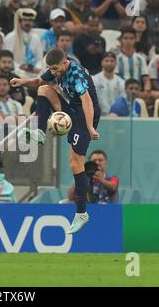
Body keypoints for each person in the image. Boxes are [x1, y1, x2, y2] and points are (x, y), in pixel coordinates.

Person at [10, 47, 101, 234]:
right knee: (44, 89)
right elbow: (39, 81)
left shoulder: (76, 74)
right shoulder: (57, 68)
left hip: (85, 116)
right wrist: (22, 81)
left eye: (54, 69)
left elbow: (87, 101)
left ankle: (81, 213)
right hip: (73, 111)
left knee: (76, 164)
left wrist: (90, 127)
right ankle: (41, 133)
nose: (52, 72)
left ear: (65, 63)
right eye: (50, 69)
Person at [4, 8, 43, 78]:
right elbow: (6, 58)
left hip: (33, 73)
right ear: (20, 22)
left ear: (33, 23)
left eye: (30, 20)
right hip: (16, 72)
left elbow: (39, 59)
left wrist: (36, 68)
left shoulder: (36, 38)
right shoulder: (11, 37)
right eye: (25, 20)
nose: (27, 23)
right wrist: (20, 67)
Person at [92, 51, 125, 116]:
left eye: (112, 61)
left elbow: (122, 101)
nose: (109, 63)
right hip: (99, 117)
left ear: (116, 63)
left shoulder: (121, 82)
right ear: (102, 62)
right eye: (106, 61)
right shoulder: (94, 80)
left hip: (117, 117)